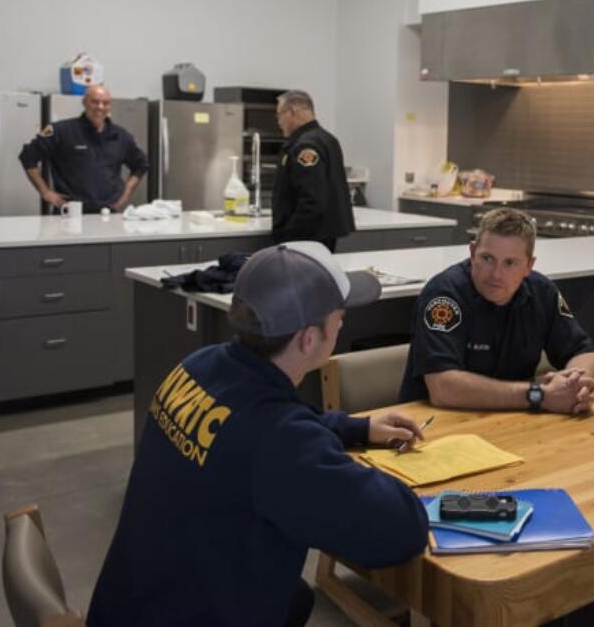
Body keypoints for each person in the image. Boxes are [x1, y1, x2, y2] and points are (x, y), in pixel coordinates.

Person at [88, 243, 429, 627]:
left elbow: (258, 426)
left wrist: (358, 428)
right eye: (338, 316)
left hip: (137, 603)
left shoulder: (201, 365)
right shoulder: (280, 440)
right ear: (307, 339)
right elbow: (402, 528)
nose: (343, 323)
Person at [399, 207, 594, 414]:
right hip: (437, 422)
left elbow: (581, 352)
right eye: (487, 258)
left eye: (510, 263)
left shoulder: (542, 292)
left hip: (512, 417)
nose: (496, 274)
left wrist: (577, 387)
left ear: (529, 266)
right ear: (472, 252)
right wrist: (538, 395)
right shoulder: (445, 295)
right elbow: (443, 389)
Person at [18, 84, 148, 213]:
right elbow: (28, 156)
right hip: (70, 214)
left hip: (107, 213)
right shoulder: (62, 131)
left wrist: (125, 195)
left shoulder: (120, 136)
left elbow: (141, 165)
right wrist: (45, 192)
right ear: (84, 102)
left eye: (105, 103)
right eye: (95, 102)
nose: (100, 107)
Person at [271, 90, 355, 251]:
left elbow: (312, 199)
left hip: (307, 238)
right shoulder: (326, 139)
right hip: (322, 234)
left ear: (293, 112)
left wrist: (290, 236)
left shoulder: (305, 146)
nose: (279, 122)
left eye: (280, 115)